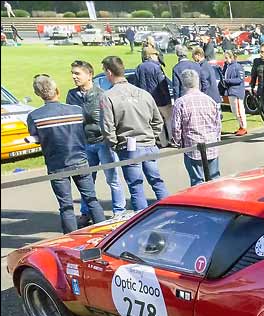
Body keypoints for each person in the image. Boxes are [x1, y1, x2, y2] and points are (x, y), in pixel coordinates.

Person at [27, 75, 105, 234]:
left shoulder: (34, 116)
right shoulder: (76, 110)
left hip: (56, 164)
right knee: (91, 199)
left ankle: (71, 239)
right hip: (80, 160)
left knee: (66, 206)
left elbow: (36, 137)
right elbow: (87, 127)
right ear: (57, 91)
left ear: (38, 94)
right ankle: (106, 234)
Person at [100, 56, 168, 212]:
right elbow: (158, 121)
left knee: (136, 186)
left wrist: (115, 144)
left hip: (129, 146)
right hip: (148, 144)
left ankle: (140, 218)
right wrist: (152, 136)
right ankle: (169, 212)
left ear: (109, 72)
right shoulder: (143, 94)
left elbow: (107, 126)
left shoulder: (108, 97)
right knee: (157, 181)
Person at [66, 60, 126, 220]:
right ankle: (86, 212)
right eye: (72, 73)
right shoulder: (72, 95)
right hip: (84, 143)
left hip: (102, 142)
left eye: (77, 73)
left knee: (112, 179)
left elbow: (109, 119)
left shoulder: (101, 94)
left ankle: (119, 212)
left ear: (89, 75)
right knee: (86, 181)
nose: (74, 77)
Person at [172, 70, 222, 187]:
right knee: (215, 180)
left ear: (183, 84)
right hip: (211, 144)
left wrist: (179, 143)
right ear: (198, 82)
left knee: (197, 182)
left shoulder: (180, 103)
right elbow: (218, 124)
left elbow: (175, 128)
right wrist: (216, 139)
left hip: (192, 147)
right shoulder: (210, 100)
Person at [136, 46, 173, 146]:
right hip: (161, 98)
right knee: (169, 119)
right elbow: (162, 84)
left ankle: (163, 142)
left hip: (148, 100)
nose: (157, 56)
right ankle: (172, 139)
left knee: (157, 121)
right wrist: (168, 98)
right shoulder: (156, 67)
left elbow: (140, 84)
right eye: (155, 54)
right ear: (151, 55)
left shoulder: (139, 67)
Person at [222, 50, 247, 136]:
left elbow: (240, 79)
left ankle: (244, 127)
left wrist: (228, 81)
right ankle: (241, 125)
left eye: (226, 58)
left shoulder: (237, 66)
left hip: (237, 91)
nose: (225, 60)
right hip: (231, 91)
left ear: (231, 57)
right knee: (234, 111)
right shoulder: (228, 66)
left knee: (239, 110)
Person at [193, 47, 221, 111]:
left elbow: (204, 84)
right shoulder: (207, 65)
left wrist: (201, 96)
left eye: (193, 56)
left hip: (210, 98)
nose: (193, 58)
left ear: (198, 55)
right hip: (213, 97)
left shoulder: (203, 67)